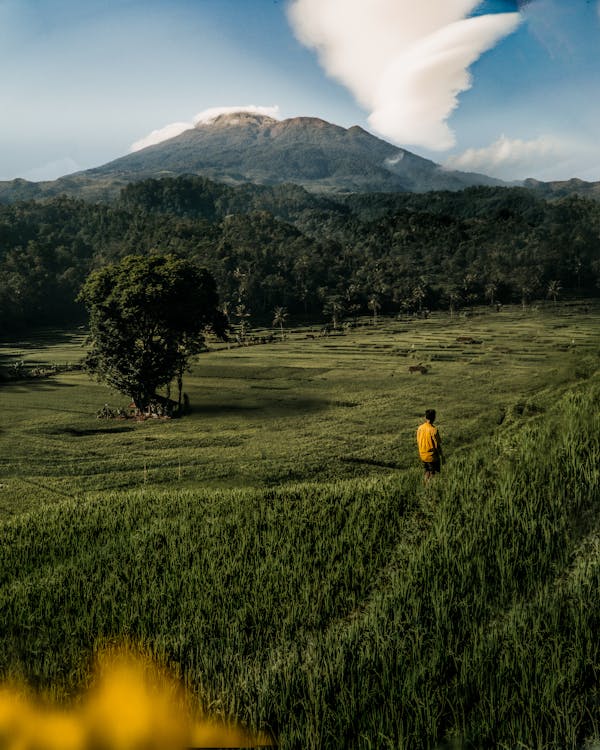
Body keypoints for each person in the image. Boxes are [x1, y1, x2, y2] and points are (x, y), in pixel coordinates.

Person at [416, 409, 443, 481]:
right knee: (433, 474)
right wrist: (442, 456)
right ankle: (430, 488)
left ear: (425, 417)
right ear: (434, 417)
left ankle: (425, 485)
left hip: (422, 455)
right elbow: (437, 446)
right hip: (432, 457)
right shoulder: (434, 430)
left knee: (427, 471)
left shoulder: (420, 428)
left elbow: (418, 441)